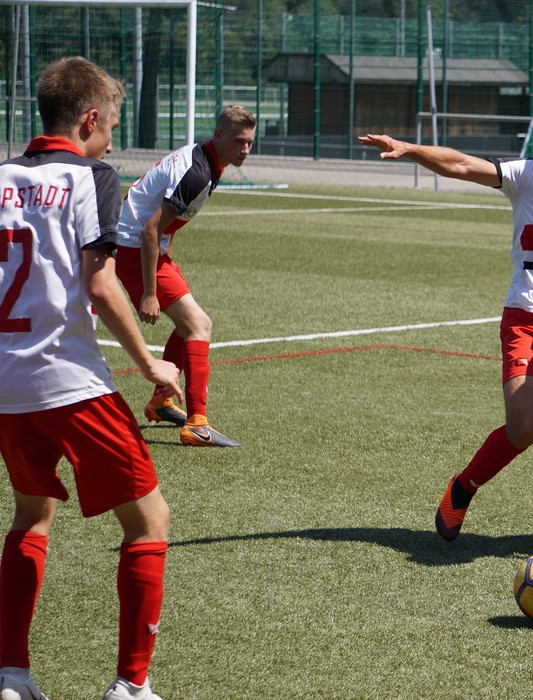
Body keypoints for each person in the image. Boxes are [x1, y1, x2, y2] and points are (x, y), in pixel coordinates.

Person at [359, 97, 533, 542]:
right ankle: (462, 488)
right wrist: (410, 149)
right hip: (528, 319)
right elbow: (462, 164)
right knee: (525, 427)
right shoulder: (529, 175)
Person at [0, 57, 183, 700]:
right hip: (69, 380)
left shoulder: (1, 177)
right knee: (149, 521)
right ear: (89, 120)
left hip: (7, 386)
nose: (110, 142)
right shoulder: (90, 176)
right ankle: (131, 686)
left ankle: (12, 676)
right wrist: (151, 363)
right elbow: (101, 284)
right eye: (111, 129)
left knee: (31, 515)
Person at [115, 104, 256, 447]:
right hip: (134, 247)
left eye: (250, 142)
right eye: (239, 141)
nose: (245, 149)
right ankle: (197, 424)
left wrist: (166, 253)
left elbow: (167, 222)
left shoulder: (209, 161)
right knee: (199, 326)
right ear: (218, 135)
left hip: (142, 246)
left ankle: (161, 402)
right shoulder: (198, 172)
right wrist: (150, 292)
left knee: (186, 326)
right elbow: (150, 230)